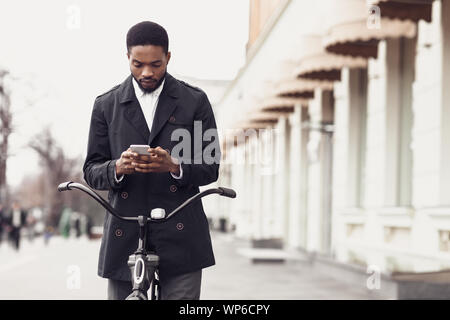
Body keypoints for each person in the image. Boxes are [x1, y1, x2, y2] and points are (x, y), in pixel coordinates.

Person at [83, 21, 220, 300]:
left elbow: (210, 167)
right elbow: (91, 170)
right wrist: (117, 168)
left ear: (169, 57)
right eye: (138, 64)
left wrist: (174, 166)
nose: (147, 72)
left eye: (156, 64)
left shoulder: (195, 101)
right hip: (126, 230)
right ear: (127, 58)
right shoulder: (106, 105)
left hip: (181, 230)